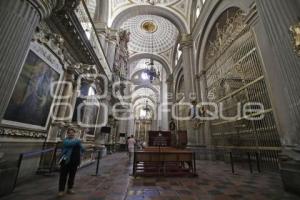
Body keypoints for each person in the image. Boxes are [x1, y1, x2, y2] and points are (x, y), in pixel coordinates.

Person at [58, 128, 84, 197]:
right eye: (70, 133)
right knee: (63, 176)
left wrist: (85, 148)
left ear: (74, 134)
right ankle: (61, 190)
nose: (71, 134)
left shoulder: (76, 141)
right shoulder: (66, 141)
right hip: (66, 161)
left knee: (72, 176)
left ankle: (70, 188)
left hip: (75, 161)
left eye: (73, 133)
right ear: (67, 134)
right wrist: (79, 140)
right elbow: (71, 143)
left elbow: (82, 149)